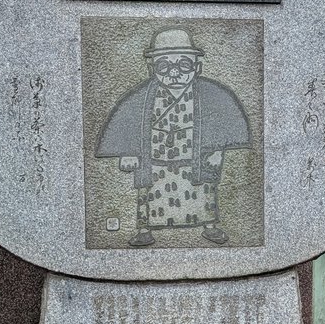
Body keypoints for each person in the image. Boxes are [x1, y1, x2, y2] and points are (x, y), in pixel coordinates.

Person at [96, 27, 251, 247]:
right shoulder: (141, 97)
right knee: (149, 194)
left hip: (194, 156)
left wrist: (218, 149)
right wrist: (128, 153)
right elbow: (126, 122)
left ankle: (209, 226)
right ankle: (144, 230)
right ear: (152, 68)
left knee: (203, 191)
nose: (174, 72)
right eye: (165, 66)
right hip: (156, 159)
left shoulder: (212, 93)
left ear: (196, 66)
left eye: (183, 65)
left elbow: (224, 121)